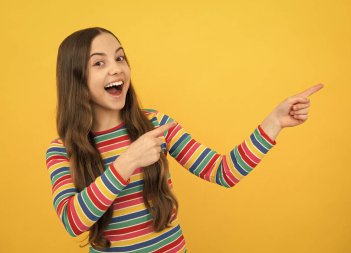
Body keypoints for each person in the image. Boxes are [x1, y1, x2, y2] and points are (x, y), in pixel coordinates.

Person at [45, 27, 323, 253]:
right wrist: (127, 161)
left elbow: (223, 172)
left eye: (120, 58)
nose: (116, 69)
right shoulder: (61, 151)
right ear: (76, 78)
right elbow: (73, 221)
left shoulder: (156, 125)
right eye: (99, 63)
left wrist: (273, 123)